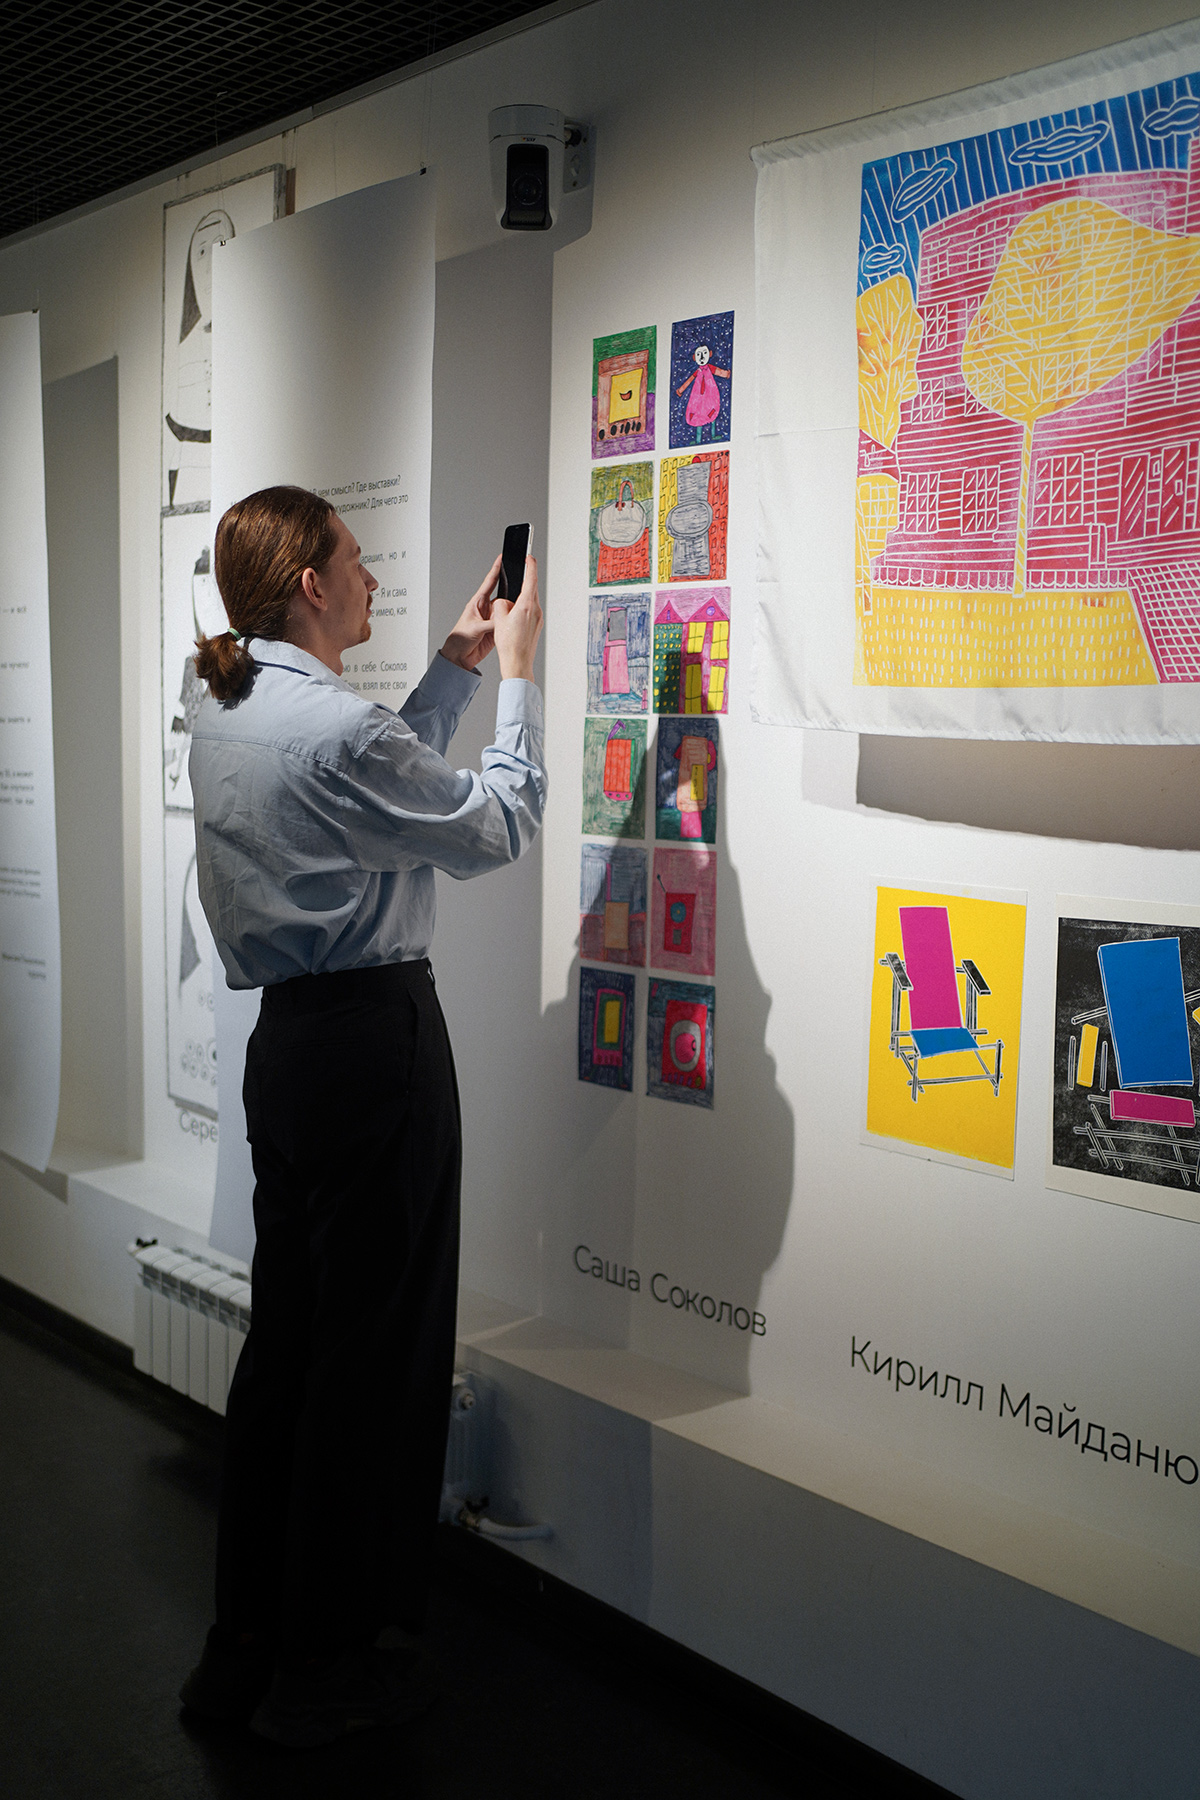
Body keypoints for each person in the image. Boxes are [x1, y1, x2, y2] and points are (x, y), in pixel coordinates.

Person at [178, 485, 546, 1747]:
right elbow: (494, 827)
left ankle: (244, 1648)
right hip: (373, 1051)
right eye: (356, 559)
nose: (373, 578)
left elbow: (365, 780)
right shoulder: (331, 730)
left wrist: (453, 668)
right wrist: (519, 678)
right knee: (368, 1367)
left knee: (289, 1354)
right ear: (311, 585)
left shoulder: (224, 699)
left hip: (290, 1053)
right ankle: (327, 1669)